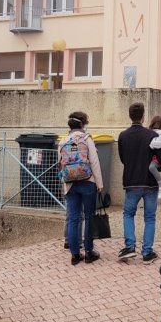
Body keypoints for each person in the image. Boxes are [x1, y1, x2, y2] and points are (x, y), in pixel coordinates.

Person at [117, 102, 161, 264]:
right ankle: (147, 252)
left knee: (128, 214)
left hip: (131, 181)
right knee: (150, 218)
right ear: (144, 116)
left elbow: (123, 159)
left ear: (129, 115)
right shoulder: (152, 136)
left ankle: (130, 246)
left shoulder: (123, 136)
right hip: (150, 181)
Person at [59, 112, 103, 265]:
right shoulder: (86, 139)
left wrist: (65, 184)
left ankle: (75, 255)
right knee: (89, 216)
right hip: (87, 182)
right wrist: (100, 184)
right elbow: (95, 163)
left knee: (73, 218)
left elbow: (61, 165)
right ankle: (89, 252)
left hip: (70, 184)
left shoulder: (63, 141)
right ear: (83, 124)